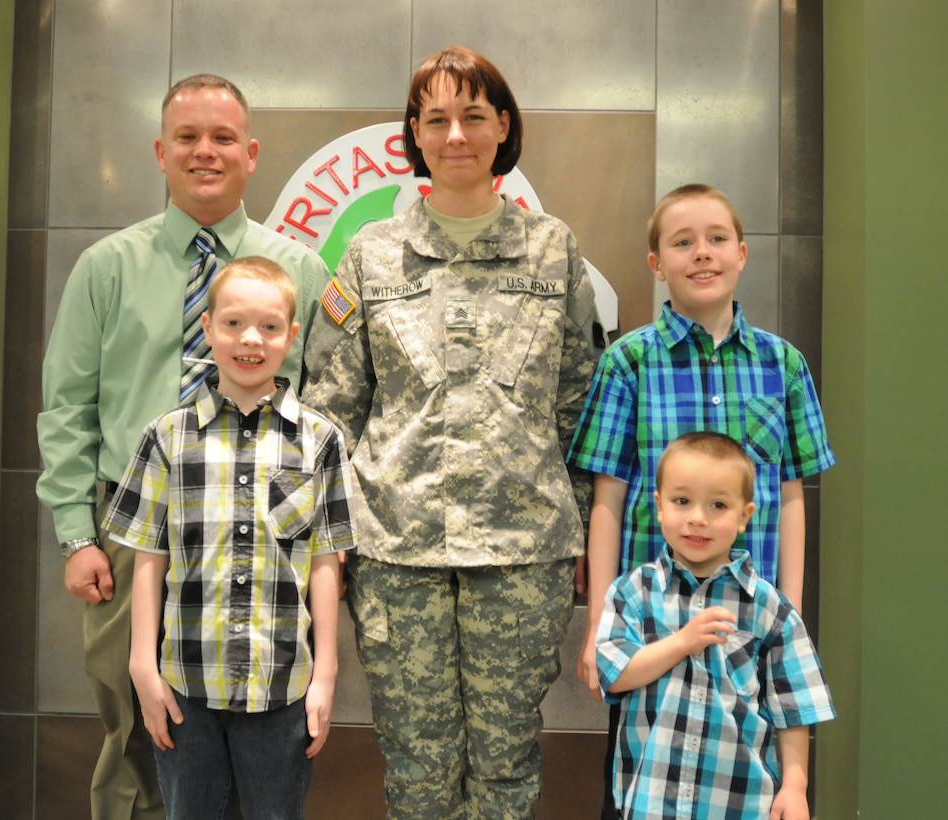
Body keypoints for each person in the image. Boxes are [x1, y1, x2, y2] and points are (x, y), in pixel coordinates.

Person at [301, 45, 599, 819]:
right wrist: (330, 545)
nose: (456, 134)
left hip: (522, 552)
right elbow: (331, 411)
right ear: (415, 133)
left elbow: (578, 401)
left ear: (503, 126)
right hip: (396, 553)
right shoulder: (370, 255)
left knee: (505, 765)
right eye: (436, 118)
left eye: (473, 115)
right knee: (417, 767)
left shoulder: (551, 249)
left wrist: (572, 522)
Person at [36, 75, 330, 819]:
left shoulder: (299, 271)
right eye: (189, 138)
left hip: (262, 534)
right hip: (130, 530)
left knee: (258, 728)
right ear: (161, 152)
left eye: (223, 138)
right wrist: (77, 533)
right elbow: (68, 407)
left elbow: (328, 403)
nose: (206, 152)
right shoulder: (107, 267)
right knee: (139, 721)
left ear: (252, 153)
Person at [566, 183, 835, 817]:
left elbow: (791, 496)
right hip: (651, 628)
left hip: (750, 619)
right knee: (642, 781)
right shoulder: (629, 363)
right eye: (681, 242)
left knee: (750, 782)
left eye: (716, 239)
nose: (701, 253)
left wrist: (788, 610)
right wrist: (598, 625)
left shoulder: (784, 365)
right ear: (656, 264)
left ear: (742, 253)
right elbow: (608, 498)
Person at [100, 257, 355, 819]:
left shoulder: (320, 441)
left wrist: (326, 676)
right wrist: (144, 664)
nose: (250, 340)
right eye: (234, 323)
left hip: (282, 688)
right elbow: (148, 559)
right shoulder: (167, 437)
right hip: (185, 685)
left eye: (269, 327)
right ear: (208, 327)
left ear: (291, 336)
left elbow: (324, 565)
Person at [596, 431, 835, 818]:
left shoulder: (768, 607)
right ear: (658, 506)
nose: (697, 518)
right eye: (682, 501)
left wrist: (795, 786)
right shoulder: (634, 592)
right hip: (652, 801)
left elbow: (795, 705)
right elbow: (614, 673)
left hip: (738, 800)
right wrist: (682, 642)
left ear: (744, 516)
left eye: (718, 505)